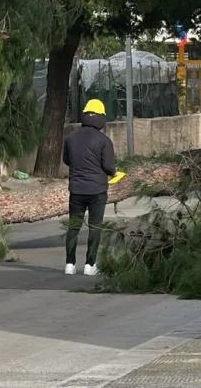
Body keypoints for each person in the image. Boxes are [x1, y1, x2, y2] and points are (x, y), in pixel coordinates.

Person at [62, 98, 116, 275]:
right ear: (101, 117)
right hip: (97, 190)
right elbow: (108, 166)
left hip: (76, 189)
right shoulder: (104, 140)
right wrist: (115, 173)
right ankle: (90, 264)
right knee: (95, 227)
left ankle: (69, 264)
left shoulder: (70, 138)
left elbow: (67, 160)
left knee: (74, 226)